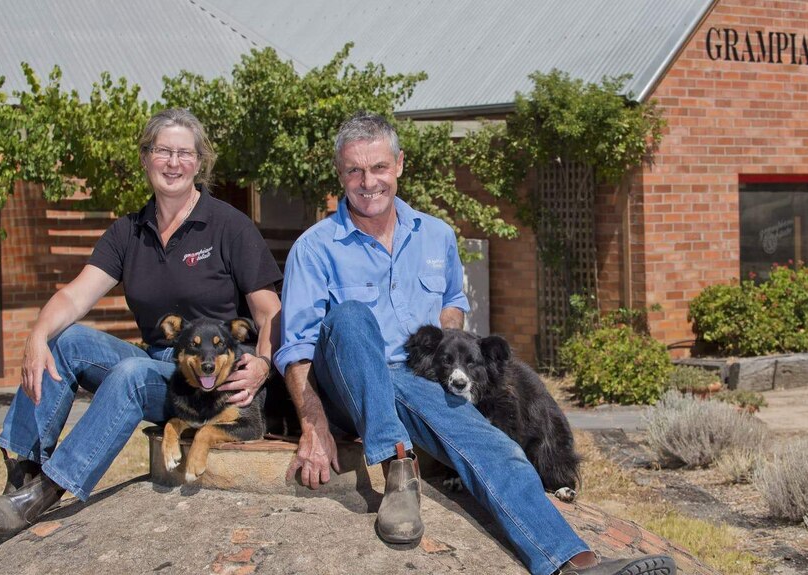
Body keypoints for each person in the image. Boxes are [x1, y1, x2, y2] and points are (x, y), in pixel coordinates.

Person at [274, 112, 677, 575]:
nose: (368, 182)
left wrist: (452, 369)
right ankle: (398, 467)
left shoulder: (437, 235)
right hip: (349, 386)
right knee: (349, 317)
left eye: (379, 167)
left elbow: (451, 307)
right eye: (355, 171)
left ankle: (574, 563)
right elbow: (298, 347)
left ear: (400, 164)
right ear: (340, 173)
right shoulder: (315, 246)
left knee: (493, 444)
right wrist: (313, 426)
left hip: (416, 381)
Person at [0, 108, 282, 539]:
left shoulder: (229, 226)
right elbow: (74, 296)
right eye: (162, 151)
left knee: (132, 374)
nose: (173, 163)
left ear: (199, 162)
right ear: (145, 158)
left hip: (205, 378)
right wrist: (36, 335)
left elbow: (269, 311)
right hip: (160, 362)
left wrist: (264, 364)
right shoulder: (128, 232)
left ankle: (49, 489)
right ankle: (23, 472)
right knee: (65, 339)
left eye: (183, 153)